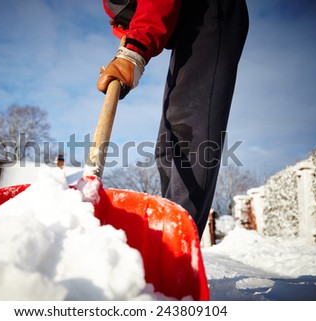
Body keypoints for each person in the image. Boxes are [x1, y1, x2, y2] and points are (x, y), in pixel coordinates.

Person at [97, 0, 249, 237]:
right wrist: (126, 54)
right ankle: (169, 234)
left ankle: (176, 240)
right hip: (187, 27)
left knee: (189, 133)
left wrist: (134, 52)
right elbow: (136, 22)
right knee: (167, 147)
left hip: (210, 10)